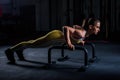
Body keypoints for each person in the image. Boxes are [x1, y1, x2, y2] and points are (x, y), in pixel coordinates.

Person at [5, 18, 100, 64]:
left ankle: (19, 50)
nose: (99, 29)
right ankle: (10, 50)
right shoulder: (81, 33)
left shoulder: (84, 33)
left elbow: (74, 29)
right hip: (54, 36)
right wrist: (69, 43)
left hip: (57, 38)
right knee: (33, 44)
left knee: (33, 44)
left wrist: (79, 42)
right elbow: (66, 28)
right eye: (97, 27)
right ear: (91, 27)